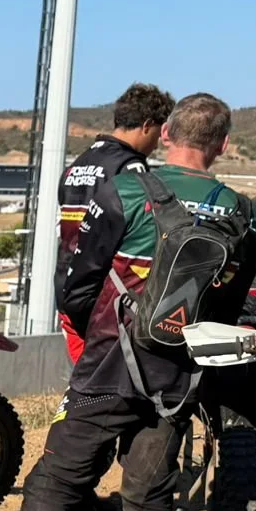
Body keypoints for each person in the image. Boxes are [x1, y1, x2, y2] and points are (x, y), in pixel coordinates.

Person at [4, 92, 256, 511]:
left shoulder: (123, 189)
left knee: (51, 486)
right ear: (223, 145)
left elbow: (76, 284)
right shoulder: (244, 212)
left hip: (109, 368)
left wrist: (97, 330)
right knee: (148, 498)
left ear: (166, 132)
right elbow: (231, 306)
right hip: (179, 380)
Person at [56, 83, 173, 362]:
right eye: (157, 132)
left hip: (67, 289)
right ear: (146, 125)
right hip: (104, 300)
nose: (156, 143)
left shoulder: (80, 162)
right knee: (106, 381)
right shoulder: (130, 168)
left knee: (83, 376)